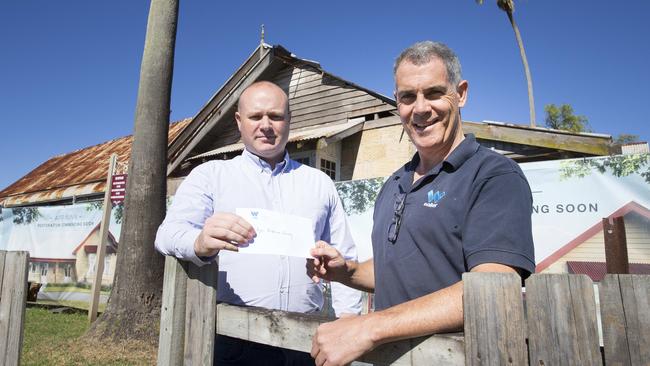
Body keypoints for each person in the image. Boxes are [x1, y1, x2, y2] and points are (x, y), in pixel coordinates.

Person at [308, 41, 536, 366]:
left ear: (461, 93)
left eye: (433, 93)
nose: (420, 108)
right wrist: (347, 271)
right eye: (407, 97)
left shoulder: (494, 176)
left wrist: (370, 327)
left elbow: (493, 288)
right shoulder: (394, 183)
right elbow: (397, 268)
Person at [155, 80, 361, 366]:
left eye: (275, 116)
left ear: (289, 120)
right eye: (255, 116)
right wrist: (200, 242)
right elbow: (167, 235)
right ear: (239, 121)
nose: (266, 125)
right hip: (235, 338)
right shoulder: (211, 176)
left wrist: (348, 321)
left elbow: (344, 255)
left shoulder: (319, 183)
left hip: (306, 341)